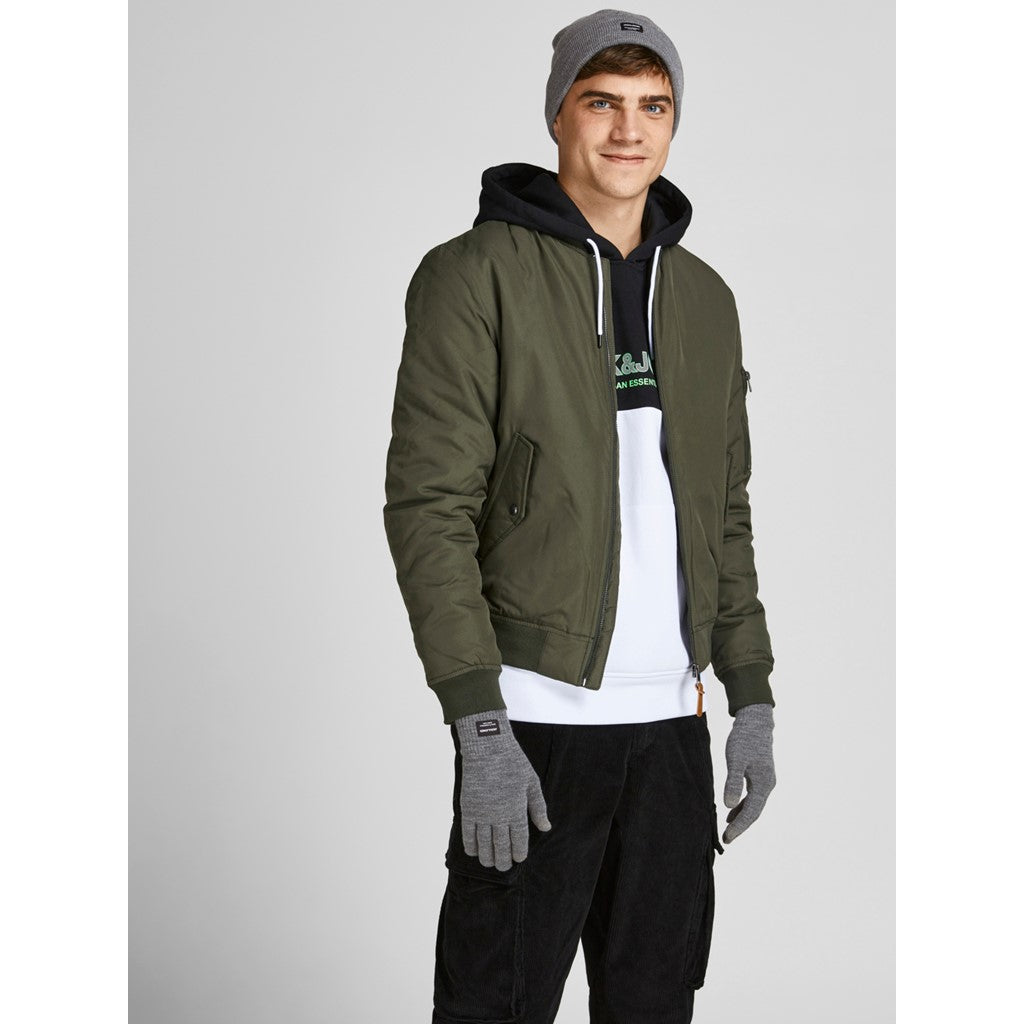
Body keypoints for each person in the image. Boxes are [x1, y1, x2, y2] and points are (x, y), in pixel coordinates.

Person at [382, 9, 778, 1023]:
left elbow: (723, 513)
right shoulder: (474, 275)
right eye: (602, 102)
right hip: (537, 722)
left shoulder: (704, 298)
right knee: (495, 1003)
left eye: (654, 106)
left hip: (673, 728)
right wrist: (479, 722)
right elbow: (429, 507)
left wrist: (751, 696)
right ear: (558, 113)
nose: (628, 130)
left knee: (654, 1003)